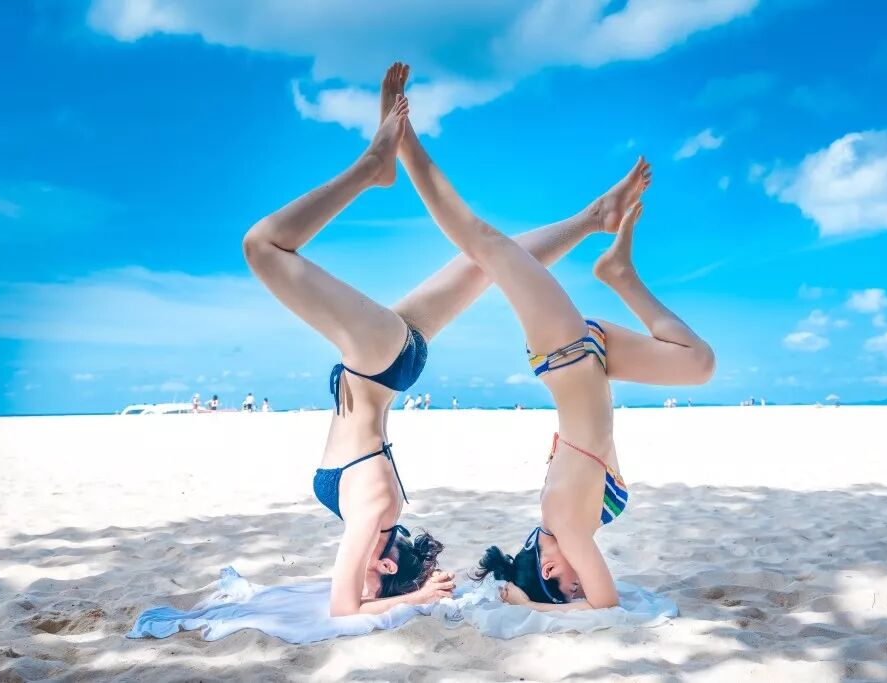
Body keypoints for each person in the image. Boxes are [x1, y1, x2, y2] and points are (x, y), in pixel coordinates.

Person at [242, 63, 649, 616]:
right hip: (375, 361)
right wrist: (410, 597)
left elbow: (352, 600)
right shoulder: (374, 510)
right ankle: (370, 169)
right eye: (371, 582)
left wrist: (407, 596)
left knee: (486, 266)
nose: (359, 581)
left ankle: (593, 218)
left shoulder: (377, 513)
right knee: (263, 248)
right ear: (385, 567)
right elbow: (344, 610)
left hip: (385, 363)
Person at [381, 63, 714, 611]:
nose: (577, 583)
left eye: (564, 584)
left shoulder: (563, 521)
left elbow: (604, 606)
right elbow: (597, 599)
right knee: (700, 364)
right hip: (596, 356)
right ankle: (619, 274)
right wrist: (538, 599)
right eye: (574, 588)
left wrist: (524, 601)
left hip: (562, 352)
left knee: (480, 239)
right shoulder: (574, 524)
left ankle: (403, 142)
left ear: (547, 567)